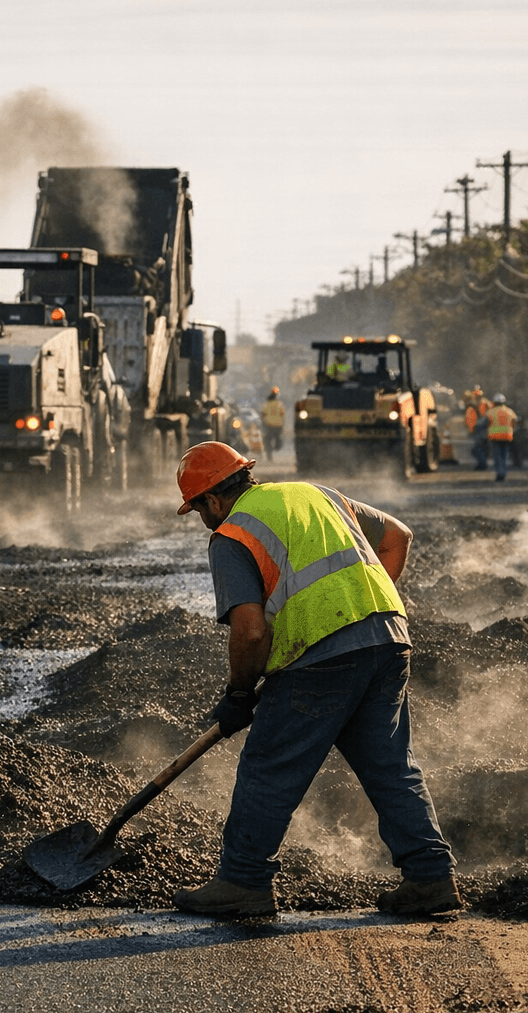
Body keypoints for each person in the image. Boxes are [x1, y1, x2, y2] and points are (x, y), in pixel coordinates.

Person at [172, 441, 459, 918]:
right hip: (387, 636)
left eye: (199, 509)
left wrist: (239, 694)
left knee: (269, 766)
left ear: (213, 500)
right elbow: (399, 537)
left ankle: (243, 882)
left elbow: (249, 630)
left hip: (320, 659)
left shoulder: (232, 534)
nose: (203, 519)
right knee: (390, 765)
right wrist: (358, 610)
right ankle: (431, 877)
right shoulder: (316, 494)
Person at [482, 393, 518, 482]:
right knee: (504, 455)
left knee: (497, 456)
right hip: (507, 436)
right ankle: (504, 472)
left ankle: (499, 473)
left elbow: (485, 423)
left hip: (495, 437)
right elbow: (515, 422)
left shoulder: (491, 412)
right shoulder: (510, 411)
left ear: (494, 402)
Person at [464, 387, 491, 471]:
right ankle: (482, 463)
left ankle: (482, 464)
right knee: (480, 447)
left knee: (478, 448)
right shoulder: (484, 403)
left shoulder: (482, 403)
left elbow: (485, 416)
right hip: (480, 427)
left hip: (481, 428)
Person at [260, 387, 286, 463]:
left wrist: (264, 423)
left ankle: (269, 455)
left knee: (267, 441)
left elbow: (263, 415)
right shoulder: (280, 404)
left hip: (269, 425)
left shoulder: (266, 404)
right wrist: (282, 425)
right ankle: (274, 449)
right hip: (278, 425)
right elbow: (282, 415)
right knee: (278, 442)